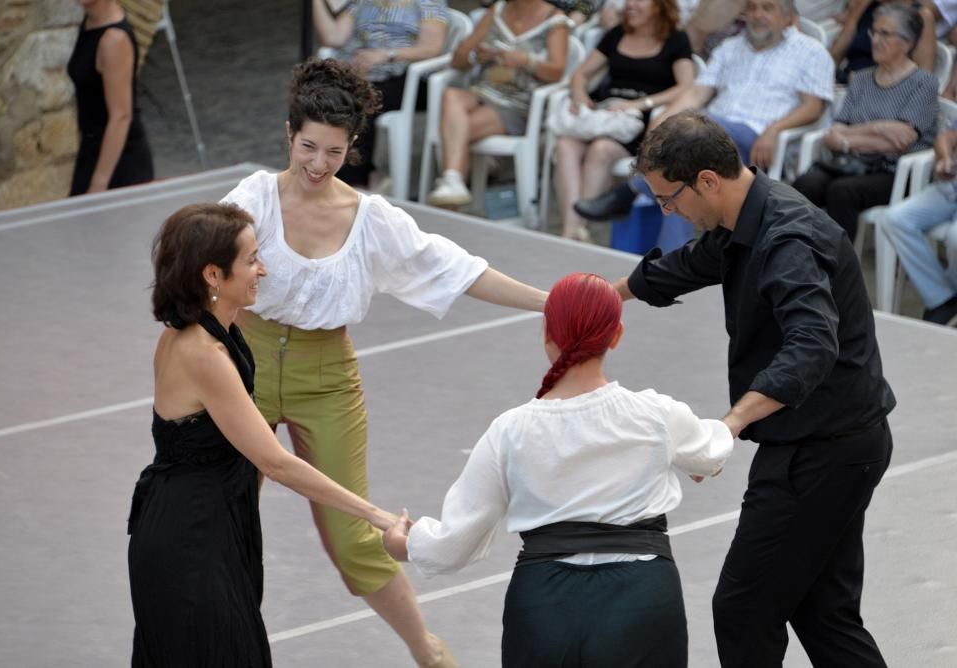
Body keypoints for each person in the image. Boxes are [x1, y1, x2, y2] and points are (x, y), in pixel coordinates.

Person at [220, 58, 548, 668]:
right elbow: (204, 270)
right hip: (245, 367)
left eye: (335, 152)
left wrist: (549, 303)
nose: (318, 164)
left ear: (352, 148)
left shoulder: (371, 220)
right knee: (224, 526)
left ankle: (427, 651)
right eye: (308, 147)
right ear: (288, 133)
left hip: (328, 380)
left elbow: (455, 267)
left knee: (354, 538)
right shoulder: (252, 199)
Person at [614, 110, 895, 667]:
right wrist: (604, 295)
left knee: (744, 608)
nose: (671, 211)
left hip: (822, 451)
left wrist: (731, 422)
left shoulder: (787, 236)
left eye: (670, 200)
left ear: (708, 181)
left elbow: (813, 344)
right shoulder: (745, 219)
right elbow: (691, 264)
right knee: (825, 613)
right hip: (838, 442)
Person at [382, 272, 733, 668]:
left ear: (547, 332)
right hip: (642, 598)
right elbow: (711, 454)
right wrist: (730, 426)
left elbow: (452, 546)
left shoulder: (510, 431)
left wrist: (403, 544)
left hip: (544, 604)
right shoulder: (656, 415)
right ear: (616, 335)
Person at [128, 203, 399, 666]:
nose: (263, 269)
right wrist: (376, 516)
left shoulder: (221, 334)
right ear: (213, 275)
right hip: (189, 537)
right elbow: (275, 462)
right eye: (251, 259)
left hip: (216, 526)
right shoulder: (202, 353)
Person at [574, 0, 834, 247]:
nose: (757, 15)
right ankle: (671, 258)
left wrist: (774, 130)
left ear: (788, 16)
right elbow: (697, 93)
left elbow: (812, 107)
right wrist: (662, 121)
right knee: (682, 175)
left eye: (768, 8)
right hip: (711, 139)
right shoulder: (731, 47)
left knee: (691, 136)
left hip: (759, 139)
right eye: (752, 8)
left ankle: (629, 191)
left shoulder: (810, 51)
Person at [794, 3, 938, 241]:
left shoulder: (923, 83)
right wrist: (880, 128)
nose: (875, 40)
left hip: (892, 171)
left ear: (908, 42)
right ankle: (796, 255)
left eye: (885, 34)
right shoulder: (861, 79)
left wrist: (849, 139)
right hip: (849, 163)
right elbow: (835, 132)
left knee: (842, 191)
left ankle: (839, 270)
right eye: (874, 32)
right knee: (806, 183)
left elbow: (901, 141)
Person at [554, 0, 695, 241]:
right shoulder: (617, 33)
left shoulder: (676, 39)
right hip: (604, 115)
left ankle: (581, 225)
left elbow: (687, 86)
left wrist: (643, 104)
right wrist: (579, 95)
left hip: (640, 123)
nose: (631, 5)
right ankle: (572, 229)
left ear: (660, 6)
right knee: (565, 144)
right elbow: (581, 73)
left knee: (601, 149)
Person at [426, 0, 571, 207]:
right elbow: (457, 59)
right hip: (483, 92)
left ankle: (452, 181)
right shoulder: (498, 9)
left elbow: (557, 72)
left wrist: (525, 61)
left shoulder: (555, 21)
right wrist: (477, 55)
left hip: (519, 104)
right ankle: (454, 183)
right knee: (451, 96)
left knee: (454, 129)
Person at [312, 0, 449, 188]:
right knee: (320, 98)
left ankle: (353, 182)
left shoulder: (427, 3)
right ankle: (322, 170)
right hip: (362, 73)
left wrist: (386, 54)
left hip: (406, 75)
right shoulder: (361, 2)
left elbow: (432, 47)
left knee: (360, 102)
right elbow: (334, 37)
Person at [67, 0, 153, 196]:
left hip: (119, 163)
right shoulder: (91, 23)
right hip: (92, 152)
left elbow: (121, 116)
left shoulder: (114, 39)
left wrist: (98, 184)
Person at [881, 116, 957, 325]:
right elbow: (947, 136)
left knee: (955, 238)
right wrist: (945, 158)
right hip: (949, 189)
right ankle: (942, 299)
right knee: (894, 219)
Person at [829, 0, 935, 84]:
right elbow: (837, 53)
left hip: (887, 92)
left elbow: (924, 75)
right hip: (846, 82)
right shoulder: (865, 5)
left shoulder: (921, 16)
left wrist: (865, 83)